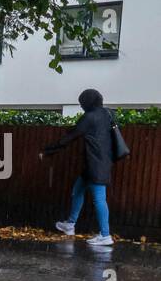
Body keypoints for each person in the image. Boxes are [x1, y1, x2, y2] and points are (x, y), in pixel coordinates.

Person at [41, 88, 116, 247]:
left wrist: (48, 150)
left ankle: (105, 235)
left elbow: (71, 136)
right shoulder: (108, 114)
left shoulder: (89, 117)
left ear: (87, 103)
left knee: (99, 199)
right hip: (100, 161)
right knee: (78, 190)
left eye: (82, 103)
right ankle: (70, 224)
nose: (81, 106)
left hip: (96, 164)